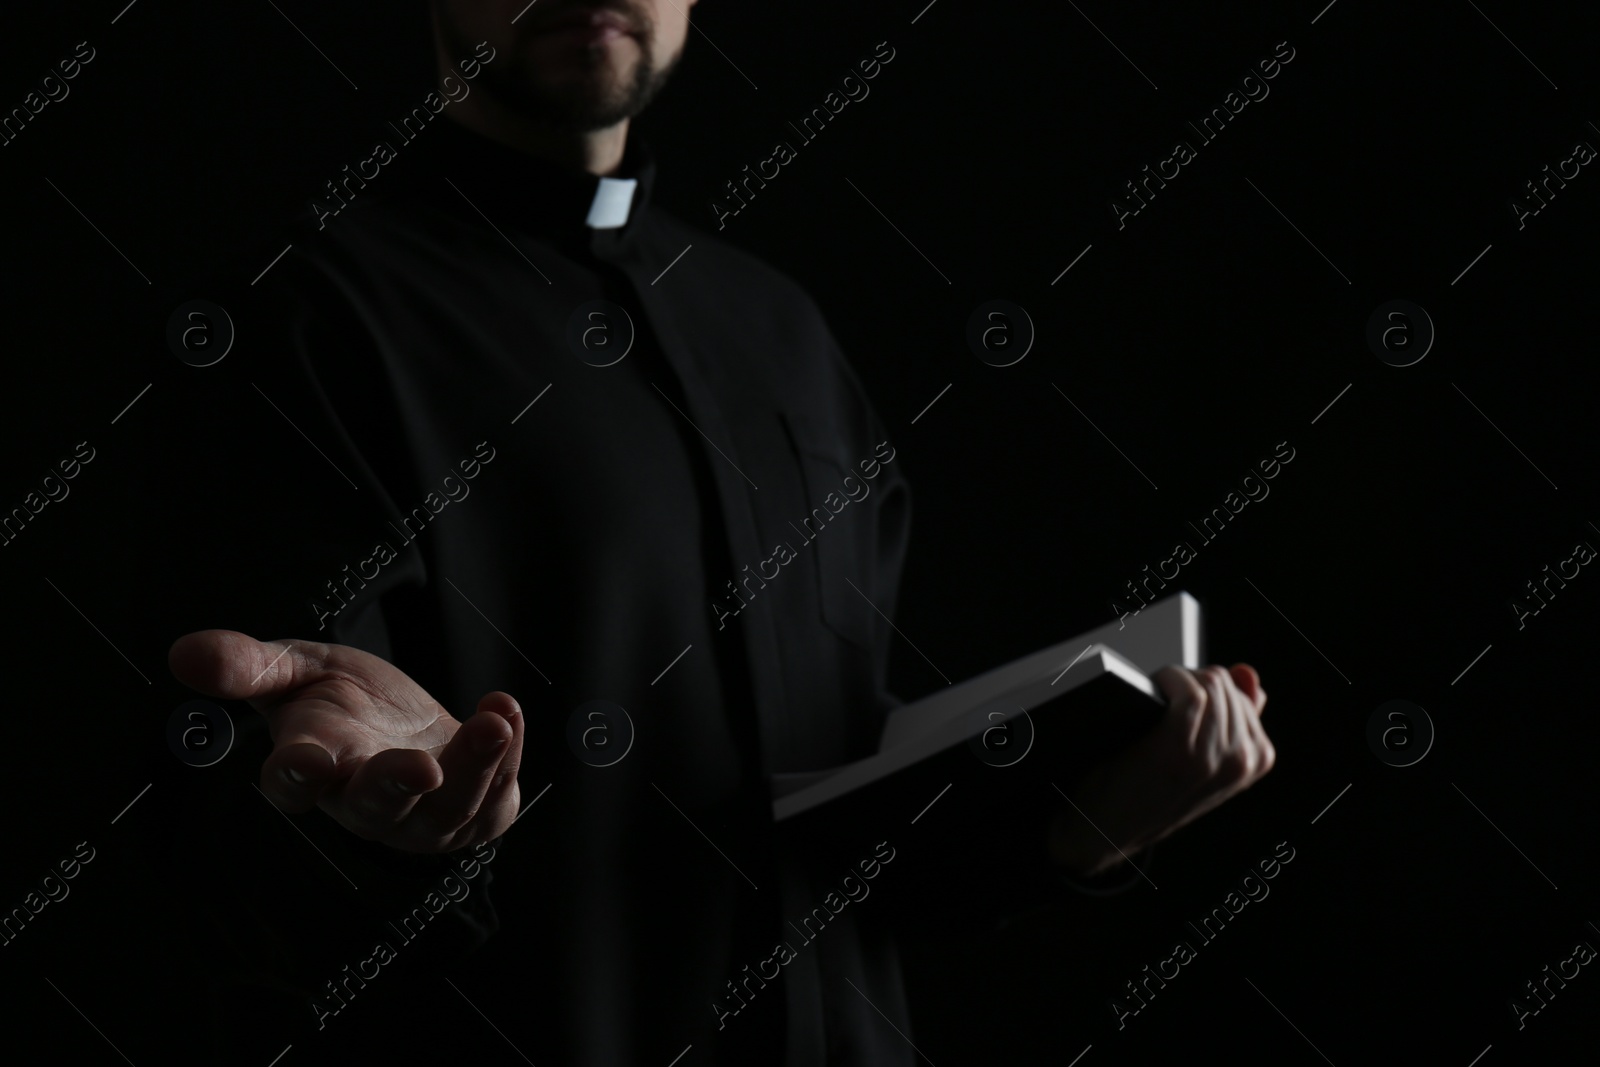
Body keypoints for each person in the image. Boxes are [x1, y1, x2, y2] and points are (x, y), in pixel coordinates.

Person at [163, 1, 1276, 1063]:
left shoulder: (783, 332)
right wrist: (383, 829)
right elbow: (241, 857)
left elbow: (827, 838)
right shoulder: (298, 317)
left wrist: (1080, 828)